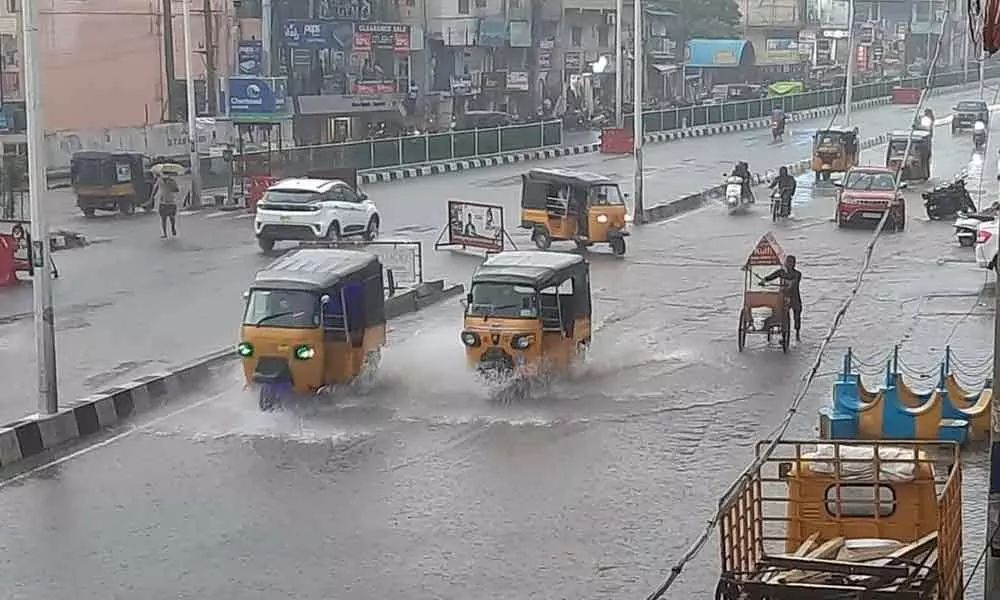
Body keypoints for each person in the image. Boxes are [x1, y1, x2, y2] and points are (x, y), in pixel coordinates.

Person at [762, 255, 802, 342]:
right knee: (782, 314)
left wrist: (788, 286)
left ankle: (797, 333)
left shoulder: (797, 274)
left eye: (791, 263)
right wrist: (763, 280)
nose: (789, 264)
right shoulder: (781, 272)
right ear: (785, 263)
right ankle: (783, 334)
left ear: (794, 264)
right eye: (788, 262)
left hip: (795, 297)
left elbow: (794, 282)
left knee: (797, 316)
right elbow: (771, 277)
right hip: (783, 297)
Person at [154, 173, 179, 238]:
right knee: (163, 218)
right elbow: (155, 189)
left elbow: (176, 189)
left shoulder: (172, 181)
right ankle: (164, 233)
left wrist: (171, 185)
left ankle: (173, 228)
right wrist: (152, 197)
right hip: (162, 202)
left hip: (171, 201)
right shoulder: (159, 180)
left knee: (172, 217)